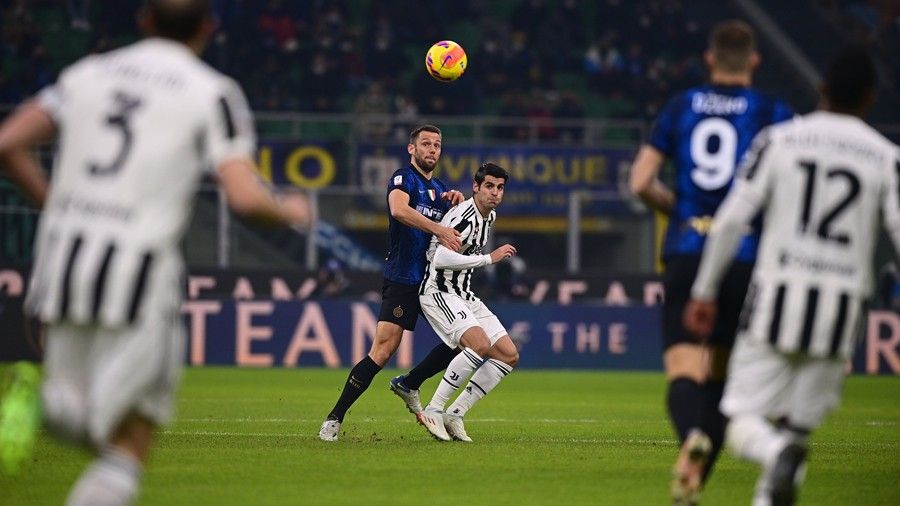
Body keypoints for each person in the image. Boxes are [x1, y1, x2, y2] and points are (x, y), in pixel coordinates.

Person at [0, 1, 311, 503]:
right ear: (208, 27)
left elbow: (8, 143)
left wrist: (56, 208)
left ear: (144, 19)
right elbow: (244, 197)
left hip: (61, 258)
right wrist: (290, 209)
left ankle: (51, 402)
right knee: (129, 443)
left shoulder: (87, 74)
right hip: (139, 273)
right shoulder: (211, 91)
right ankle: (47, 407)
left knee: (85, 414)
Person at [684, 47, 900, 506]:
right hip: (843, 309)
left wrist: (704, 290)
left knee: (741, 419)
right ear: (870, 97)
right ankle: (782, 458)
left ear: (822, 88)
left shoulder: (779, 140)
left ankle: (774, 452)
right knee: (797, 429)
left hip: (777, 298)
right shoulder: (886, 157)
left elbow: (730, 221)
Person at [627, 19, 793, 503]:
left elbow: (640, 182)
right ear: (755, 61)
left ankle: (691, 440)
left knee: (683, 369)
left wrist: (679, 212)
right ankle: (694, 475)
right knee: (720, 377)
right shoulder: (773, 111)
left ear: (709, 59)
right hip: (744, 257)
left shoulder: (682, 106)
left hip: (687, 251)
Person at [318, 125, 464, 441]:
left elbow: (454, 233)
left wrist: (458, 206)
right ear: (412, 149)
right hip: (403, 278)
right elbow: (399, 210)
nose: (432, 149)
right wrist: (439, 228)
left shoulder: (441, 190)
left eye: (437, 145)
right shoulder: (402, 179)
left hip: (433, 284)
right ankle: (334, 418)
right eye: (426, 143)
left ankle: (410, 383)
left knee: (464, 340)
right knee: (382, 351)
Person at [413, 163, 519, 442]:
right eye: (489, 186)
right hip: (439, 291)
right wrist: (488, 259)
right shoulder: (466, 217)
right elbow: (441, 258)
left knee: (508, 355)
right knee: (479, 344)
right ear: (476, 187)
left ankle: (455, 414)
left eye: (500, 188)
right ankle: (433, 410)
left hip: (463, 294)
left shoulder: (489, 215)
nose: (495, 193)